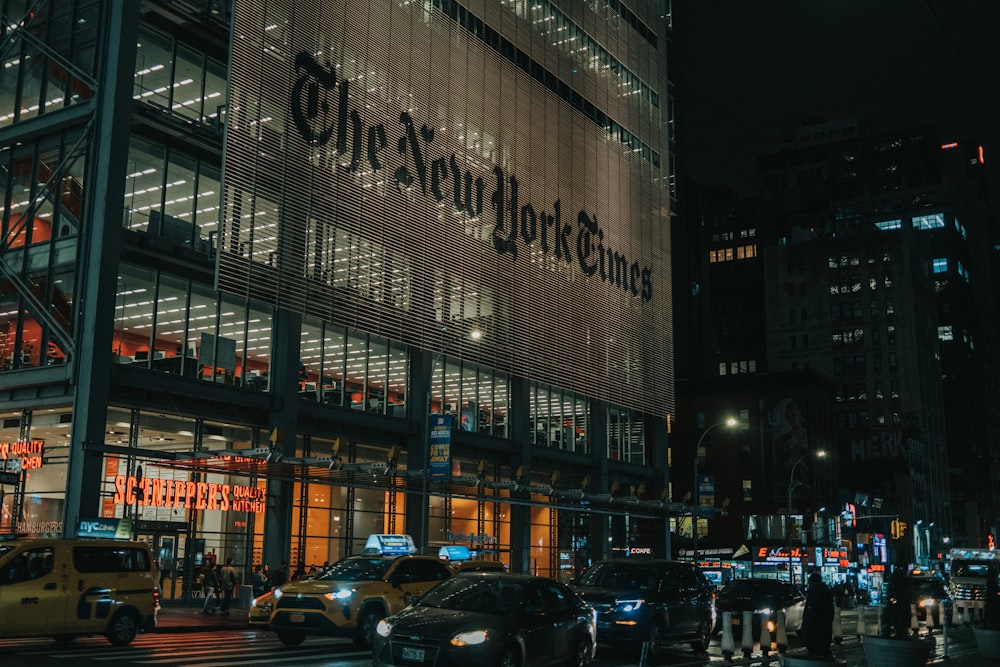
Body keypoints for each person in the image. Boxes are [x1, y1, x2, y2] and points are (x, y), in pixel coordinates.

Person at [802, 571, 835, 657]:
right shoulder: (824, 593)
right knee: (823, 653)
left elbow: (811, 615)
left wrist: (807, 632)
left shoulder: (815, 594)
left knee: (817, 654)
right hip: (823, 632)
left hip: (816, 633)